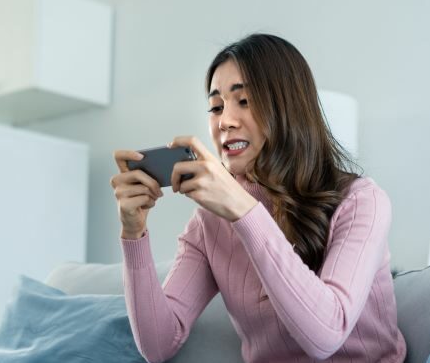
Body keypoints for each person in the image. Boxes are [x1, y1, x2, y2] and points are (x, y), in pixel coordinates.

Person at [110, 34, 406, 363]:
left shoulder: (362, 201)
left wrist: (242, 210)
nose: (225, 121)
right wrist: (133, 233)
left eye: (245, 101)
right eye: (216, 107)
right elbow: (158, 345)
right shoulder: (209, 222)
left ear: (288, 108)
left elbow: (326, 335)